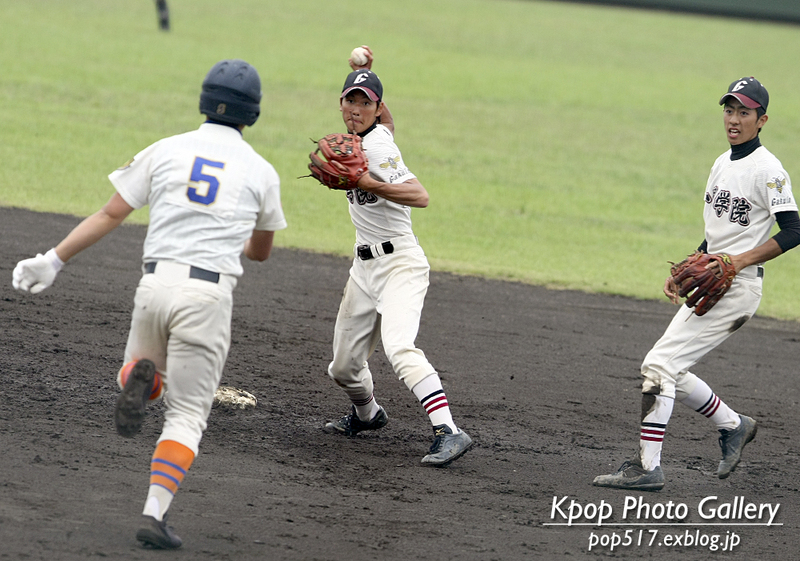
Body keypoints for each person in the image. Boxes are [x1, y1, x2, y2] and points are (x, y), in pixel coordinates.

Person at [12, 59, 287, 547]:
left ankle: (145, 381)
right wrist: (230, 235)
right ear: (253, 114)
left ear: (203, 101)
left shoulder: (167, 149)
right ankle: (154, 514)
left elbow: (111, 211)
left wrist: (51, 261)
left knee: (141, 368)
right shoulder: (261, 171)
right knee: (186, 416)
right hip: (206, 296)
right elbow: (260, 252)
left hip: (154, 286)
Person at [593, 77, 800, 491]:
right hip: (714, 284)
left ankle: (648, 468)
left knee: (657, 367)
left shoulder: (769, 171)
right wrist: (688, 264)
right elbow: (717, 235)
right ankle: (734, 426)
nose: (734, 119)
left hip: (738, 288)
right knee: (671, 368)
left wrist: (737, 260)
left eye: (744, 112)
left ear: (762, 120)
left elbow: (794, 229)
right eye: (729, 110)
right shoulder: (722, 162)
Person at [321, 47, 473, 466]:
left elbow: (420, 196)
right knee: (343, 368)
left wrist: (367, 180)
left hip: (400, 264)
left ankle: (450, 431)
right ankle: (368, 415)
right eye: (350, 100)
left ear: (375, 108)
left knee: (400, 348)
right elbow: (388, 122)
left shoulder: (380, 150)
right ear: (341, 103)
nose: (355, 109)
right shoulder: (370, 132)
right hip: (363, 269)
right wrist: (365, 73)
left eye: (364, 103)